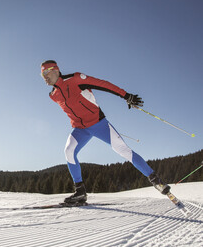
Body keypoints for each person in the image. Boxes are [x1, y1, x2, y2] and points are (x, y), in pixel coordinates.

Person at [41, 60, 170, 204]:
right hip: (79, 129)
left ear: (56, 70)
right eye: (42, 74)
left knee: (123, 149)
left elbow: (103, 84)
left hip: (98, 124)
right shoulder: (53, 95)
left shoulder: (75, 79)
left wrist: (126, 95)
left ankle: (156, 180)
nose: (44, 76)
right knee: (69, 151)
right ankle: (80, 192)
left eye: (46, 72)